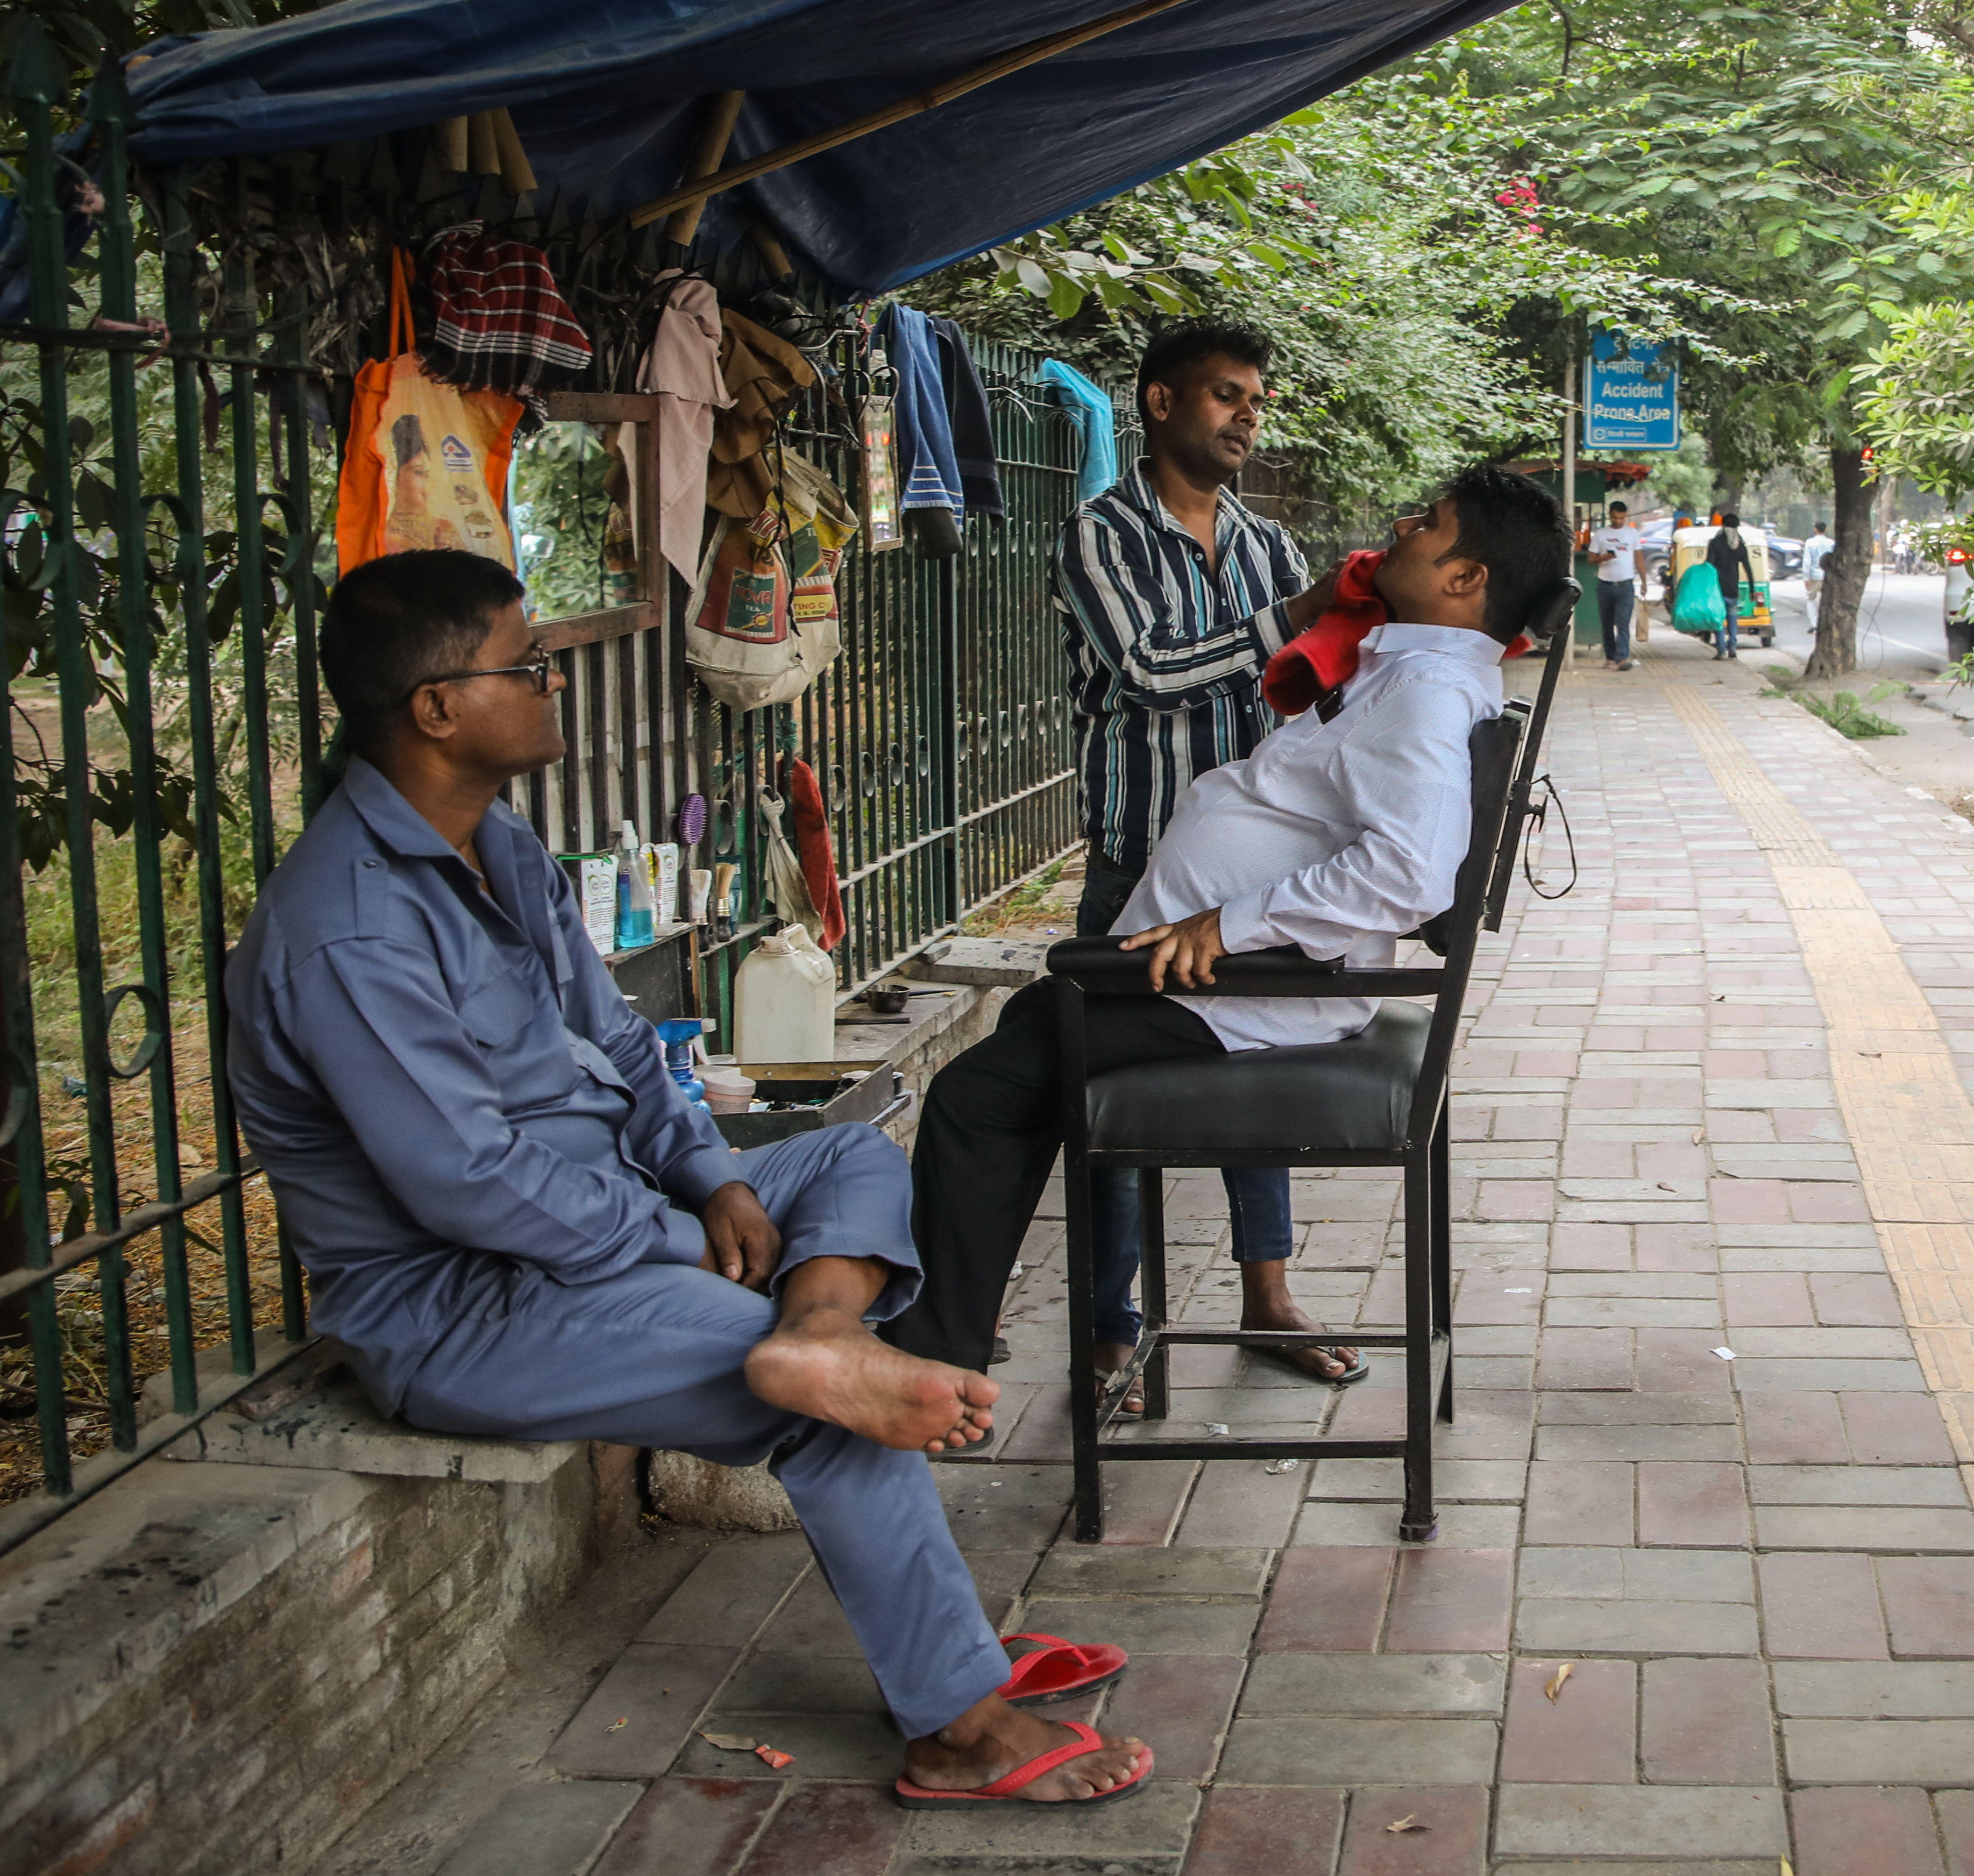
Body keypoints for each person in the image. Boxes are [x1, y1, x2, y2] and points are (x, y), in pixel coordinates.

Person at [223, 551, 1148, 1811]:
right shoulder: (344, 925)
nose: (554, 680)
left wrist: (711, 1179)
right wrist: (676, 1242)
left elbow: (617, 1043)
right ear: (436, 706)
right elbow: (469, 1185)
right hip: (465, 1303)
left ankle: (820, 1331)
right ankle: (960, 1720)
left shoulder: (494, 845)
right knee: (830, 1408)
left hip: (599, 1219)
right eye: (524, 662)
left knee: (852, 1151)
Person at [901, 466, 1567, 1382]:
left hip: (1256, 986)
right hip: (1238, 973)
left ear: (1465, 580)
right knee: (1026, 1040)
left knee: (976, 1094)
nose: (1403, 526)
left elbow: (1410, 873)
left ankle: (933, 1362)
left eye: (1430, 524)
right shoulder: (1409, 668)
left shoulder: (1425, 694)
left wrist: (1228, 920)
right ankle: (951, 1339)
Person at [1041, 319, 1350, 1412]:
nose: (1247, 416)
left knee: (1252, 1075)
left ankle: (1268, 1296)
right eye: (1226, 395)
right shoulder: (1099, 536)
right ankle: (1113, 1328)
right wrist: (1297, 623)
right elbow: (1146, 671)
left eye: (1257, 399)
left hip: (1244, 878)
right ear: (1162, 403)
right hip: (1136, 869)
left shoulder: (1267, 545)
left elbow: (1319, 689)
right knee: (1116, 1101)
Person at [1586, 499, 1644, 670]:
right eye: (1615, 518)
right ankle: (1610, 656)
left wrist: (1644, 581)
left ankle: (1622, 657)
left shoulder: (1632, 534)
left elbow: (1639, 557)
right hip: (1605, 585)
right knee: (1607, 623)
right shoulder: (1601, 534)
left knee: (1623, 622)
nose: (1618, 521)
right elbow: (1591, 559)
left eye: (1621, 518)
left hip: (1626, 585)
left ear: (1625, 517)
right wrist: (1604, 558)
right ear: (1610, 516)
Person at [1705, 510, 1759, 660]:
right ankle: (1733, 648)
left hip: (1718, 589)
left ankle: (1721, 650)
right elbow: (1748, 568)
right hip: (1733, 589)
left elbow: (1709, 565)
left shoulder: (1715, 543)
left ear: (1722, 525)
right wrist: (1752, 589)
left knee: (1719, 619)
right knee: (1733, 618)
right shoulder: (1740, 545)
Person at [1800, 518, 1836, 633]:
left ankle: (1814, 624)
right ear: (1825, 530)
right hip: (1827, 575)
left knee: (1811, 599)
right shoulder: (1831, 543)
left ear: (1816, 530)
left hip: (1814, 575)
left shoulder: (1810, 543)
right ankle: (1827, 623)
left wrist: (1806, 577)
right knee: (1826, 600)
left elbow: (1807, 561)